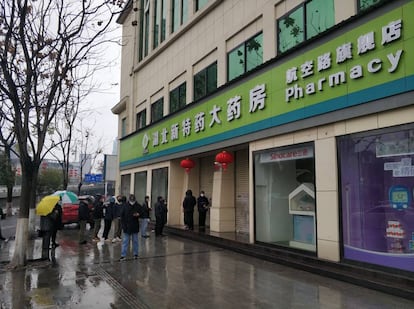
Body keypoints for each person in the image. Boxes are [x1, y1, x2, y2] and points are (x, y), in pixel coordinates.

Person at [119, 194, 140, 260]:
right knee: (126, 241)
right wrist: (123, 226)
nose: (132, 201)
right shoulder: (125, 206)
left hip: (134, 226)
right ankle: (123, 255)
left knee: (135, 241)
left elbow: (142, 212)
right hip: (127, 226)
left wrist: (138, 214)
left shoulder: (137, 206)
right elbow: (122, 216)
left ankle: (135, 254)